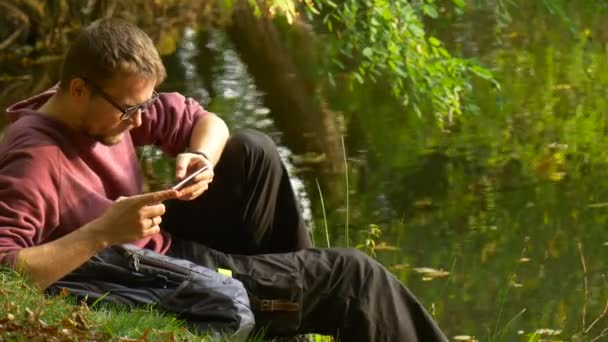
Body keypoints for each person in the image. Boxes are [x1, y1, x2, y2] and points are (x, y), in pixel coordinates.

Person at [0, 18, 448, 341]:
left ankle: (294, 306)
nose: (139, 122)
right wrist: (102, 233)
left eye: (144, 106)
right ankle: (301, 299)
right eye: (129, 111)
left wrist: (200, 157)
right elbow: (6, 273)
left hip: (159, 244)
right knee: (353, 276)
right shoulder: (35, 159)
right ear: (78, 89)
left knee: (253, 151)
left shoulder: (102, 106)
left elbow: (206, 120)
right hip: (156, 279)